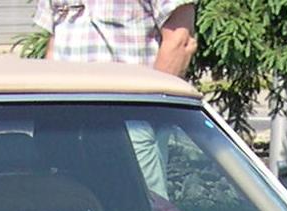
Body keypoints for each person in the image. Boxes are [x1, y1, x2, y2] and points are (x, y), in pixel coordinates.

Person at [33, 0, 198, 199]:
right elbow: (55, 42)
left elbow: (180, 42)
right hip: (63, 123)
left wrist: (149, 113)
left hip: (129, 121)